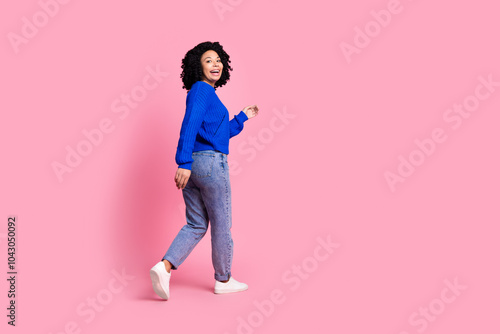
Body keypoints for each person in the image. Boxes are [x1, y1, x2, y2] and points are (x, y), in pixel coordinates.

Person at [149, 41, 259, 300]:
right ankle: (224, 279)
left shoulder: (208, 94)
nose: (216, 64)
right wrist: (182, 161)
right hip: (208, 164)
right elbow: (190, 123)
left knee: (196, 224)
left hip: (197, 165)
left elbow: (219, 134)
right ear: (198, 66)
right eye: (209, 60)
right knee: (222, 224)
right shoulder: (201, 90)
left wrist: (242, 117)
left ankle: (163, 267)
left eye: (219, 60)